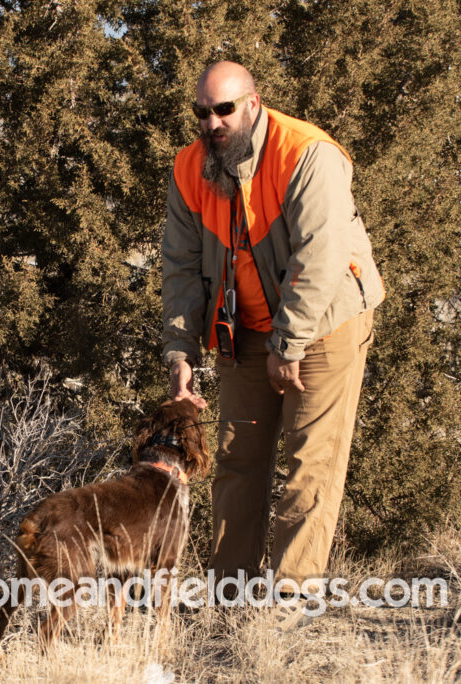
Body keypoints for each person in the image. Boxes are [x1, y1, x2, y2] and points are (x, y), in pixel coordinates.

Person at [160, 61, 384, 622]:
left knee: (310, 461)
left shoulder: (308, 153)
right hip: (245, 331)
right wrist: (181, 351)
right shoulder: (191, 167)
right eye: (202, 113)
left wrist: (289, 344)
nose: (212, 123)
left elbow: (322, 256)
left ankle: (290, 604)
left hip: (325, 321)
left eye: (224, 110)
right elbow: (182, 268)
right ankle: (228, 601)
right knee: (238, 461)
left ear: (254, 103)